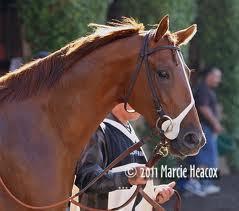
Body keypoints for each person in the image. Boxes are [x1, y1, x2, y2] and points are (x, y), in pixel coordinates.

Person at [74, 103, 175, 210]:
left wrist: (152, 193)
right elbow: (87, 180)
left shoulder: (129, 132)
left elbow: (126, 189)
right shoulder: (98, 130)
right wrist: (128, 177)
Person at [178, 67, 223, 197]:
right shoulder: (203, 89)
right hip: (203, 128)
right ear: (209, 76)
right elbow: (203, 108)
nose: (218, 80)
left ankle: (189, 184)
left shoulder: (202, 89)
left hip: (199, 128)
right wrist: (216, 123)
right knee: (205, 159)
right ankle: (203, 184)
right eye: (217, 77)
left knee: (196, 159)